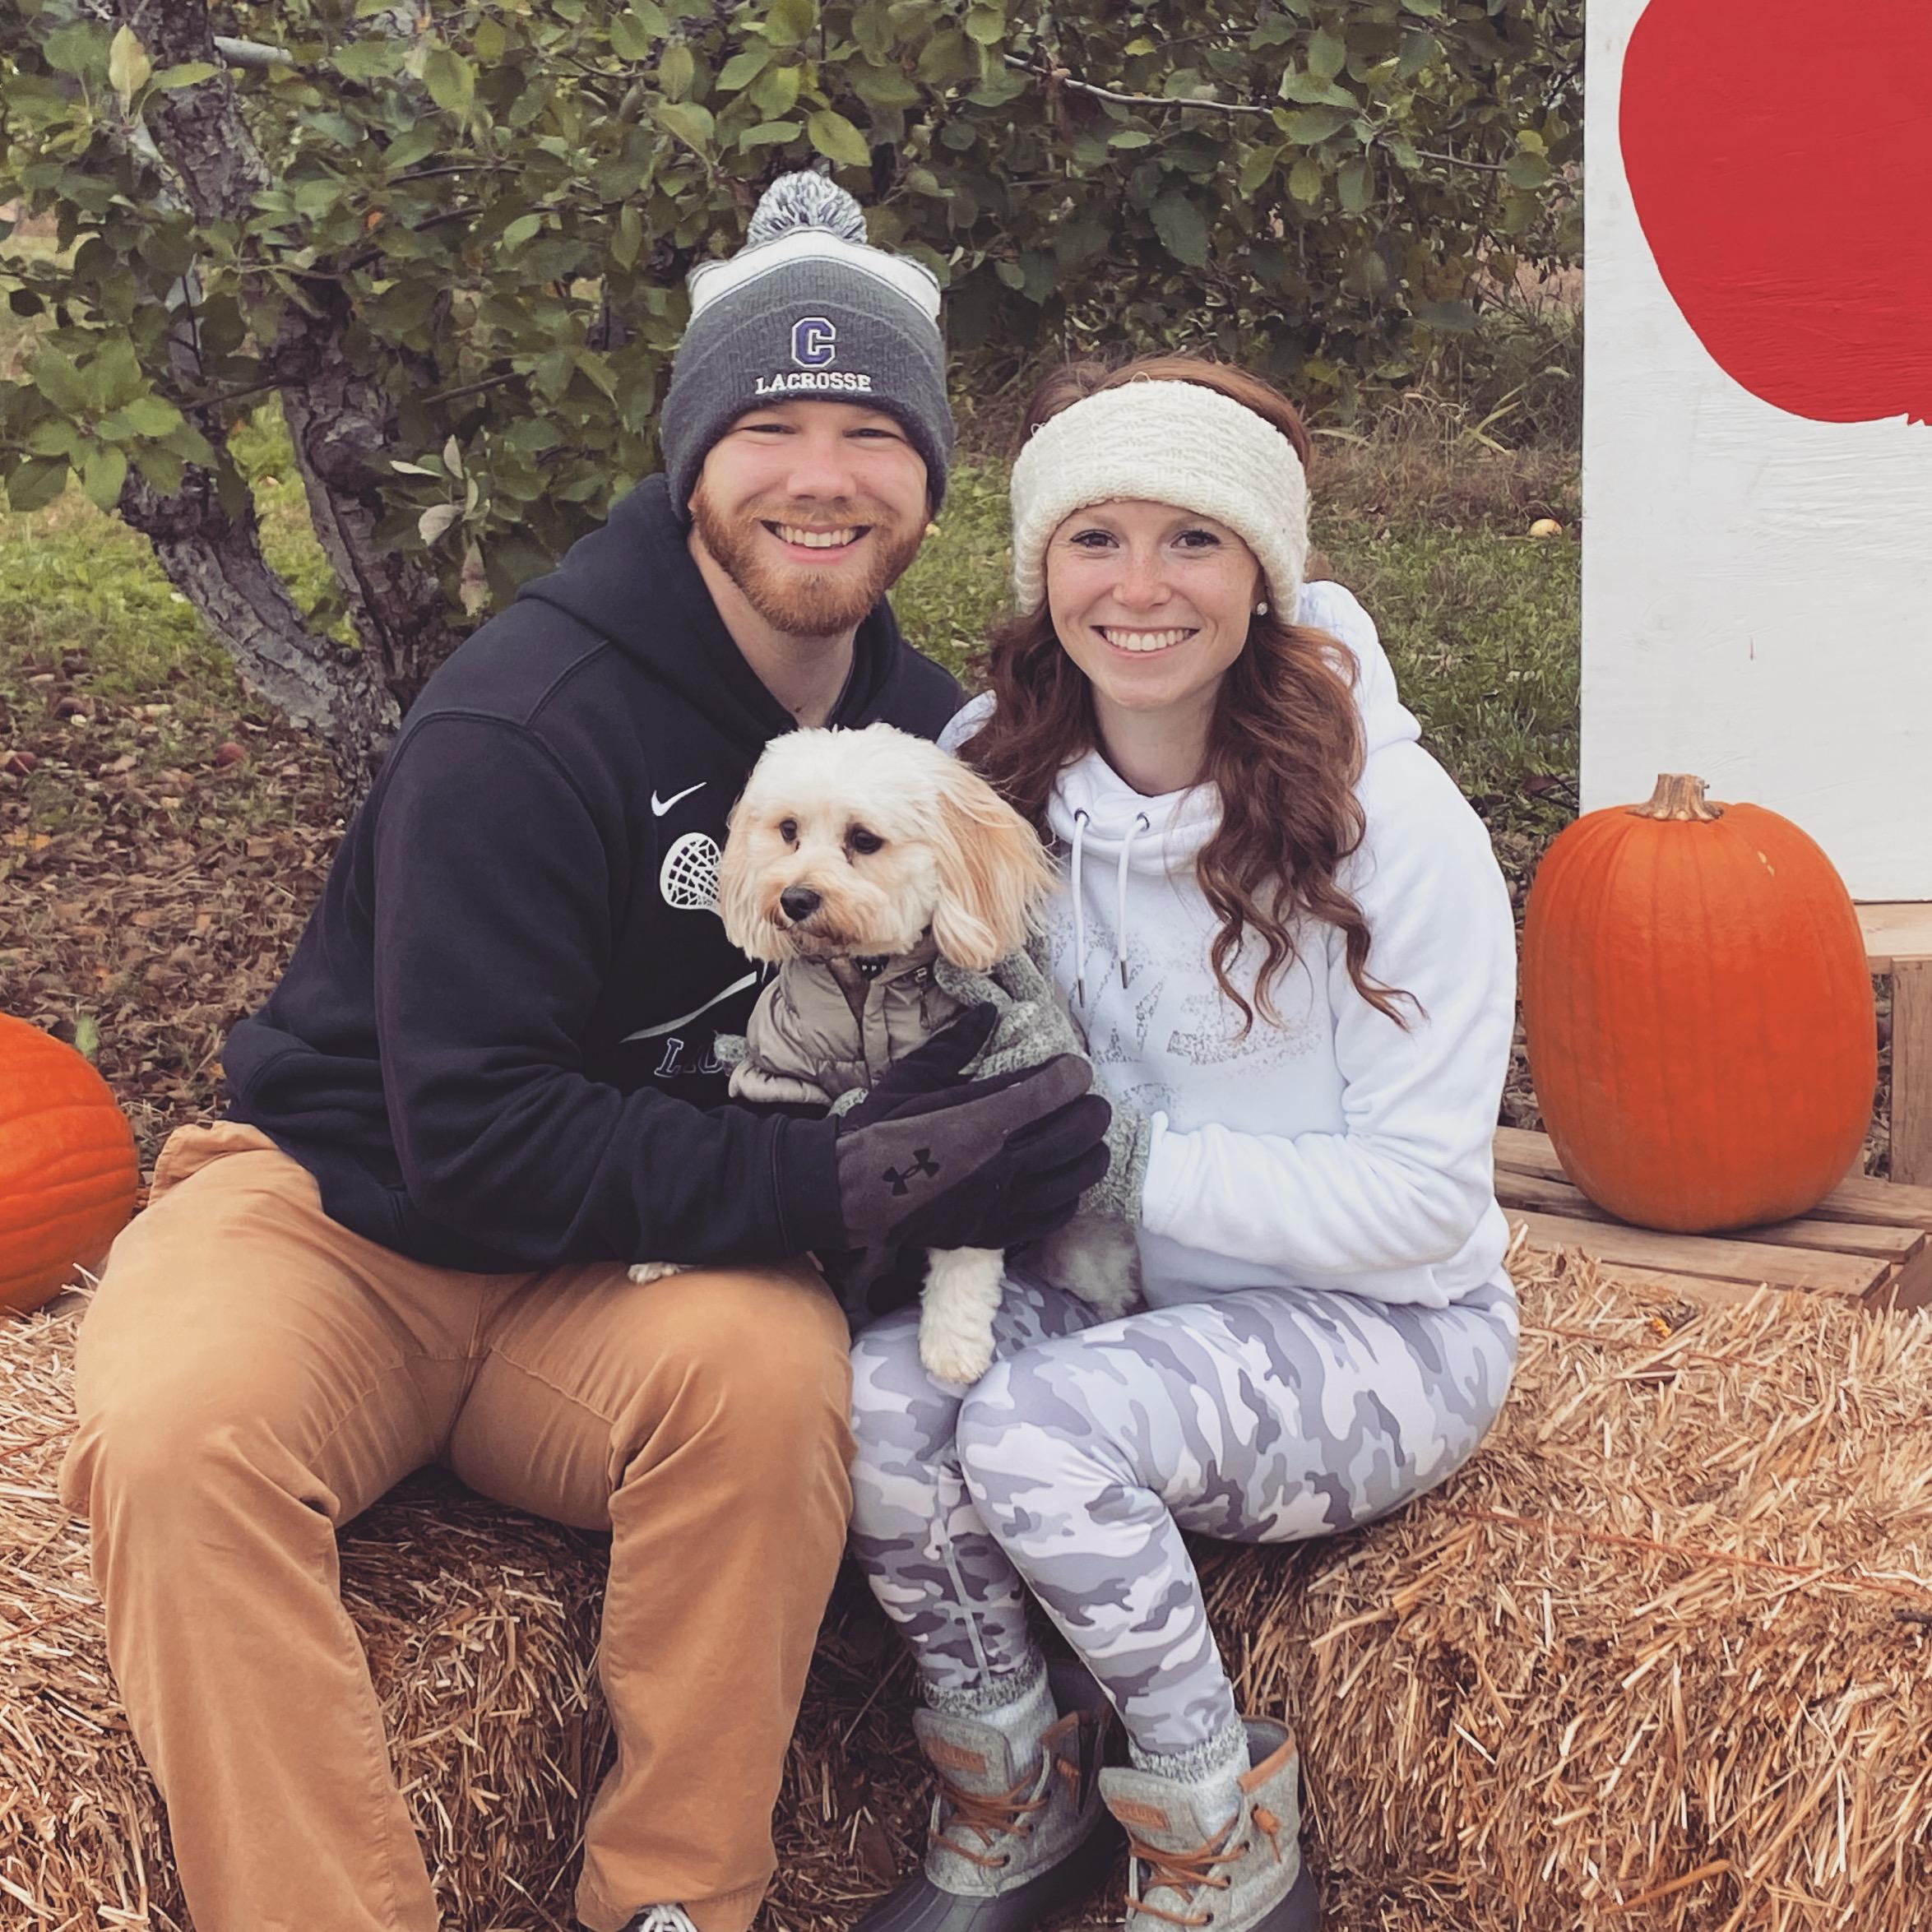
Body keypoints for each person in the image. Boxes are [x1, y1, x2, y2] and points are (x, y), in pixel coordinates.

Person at [54, 174, 1108, 1932]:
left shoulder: (927, 744)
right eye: (769, 428)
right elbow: (469, 1136)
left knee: (772, 1386)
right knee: (173, 1444)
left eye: (873, 432)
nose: (823, 475)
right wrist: (830, 1178)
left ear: (930, 480)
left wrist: (1035, 1127)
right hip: (344, 1215)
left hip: (616, 1282)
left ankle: (672, 1903)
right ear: (691, 462)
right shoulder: (522, 716)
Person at [845, 355, 1521, 1932]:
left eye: (1192, 539)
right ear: (1041, 569)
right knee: (884, 1394)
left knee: (1036, 1427)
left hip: (1380, 1322)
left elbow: (1423, 1201)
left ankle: (1221, 1829)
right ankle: (1015, 1789)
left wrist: (1115, 1158)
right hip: (1107, 1286)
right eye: (1095, 538)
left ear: (1262, 570)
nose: (1138, 587)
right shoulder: (991, 773)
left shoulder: (1395, 822)